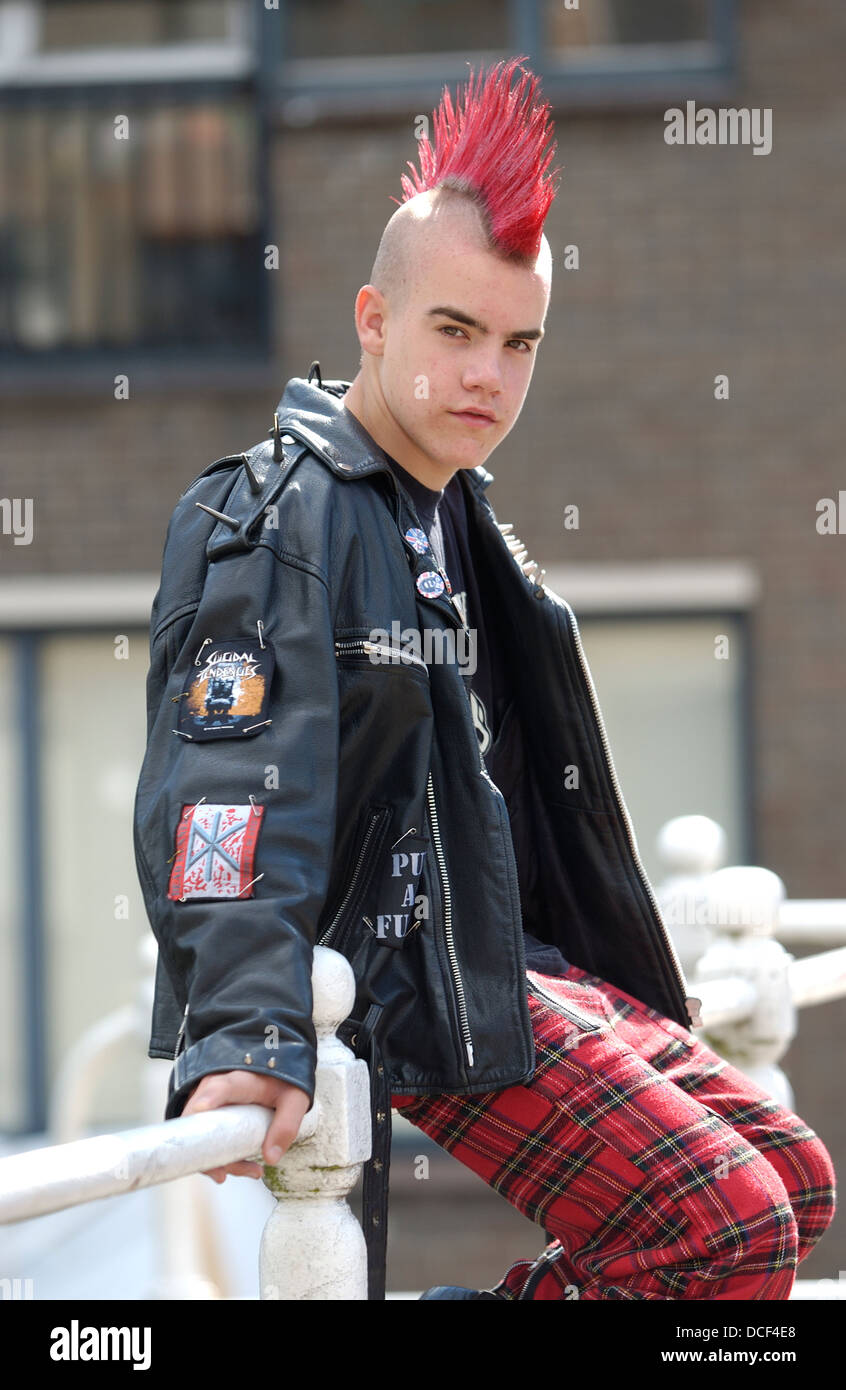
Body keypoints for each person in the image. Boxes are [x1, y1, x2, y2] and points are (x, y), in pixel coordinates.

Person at [133, 57, 836, 1300]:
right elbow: (226, 785)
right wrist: (247, 1028)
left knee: (795, 1174)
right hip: (411, 977)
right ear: (372, 320)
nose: (488, 380)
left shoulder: (459, 522)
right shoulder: (274, 516)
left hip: (507, 957)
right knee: (728, 1228)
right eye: (454, 333)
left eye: (520, 344)